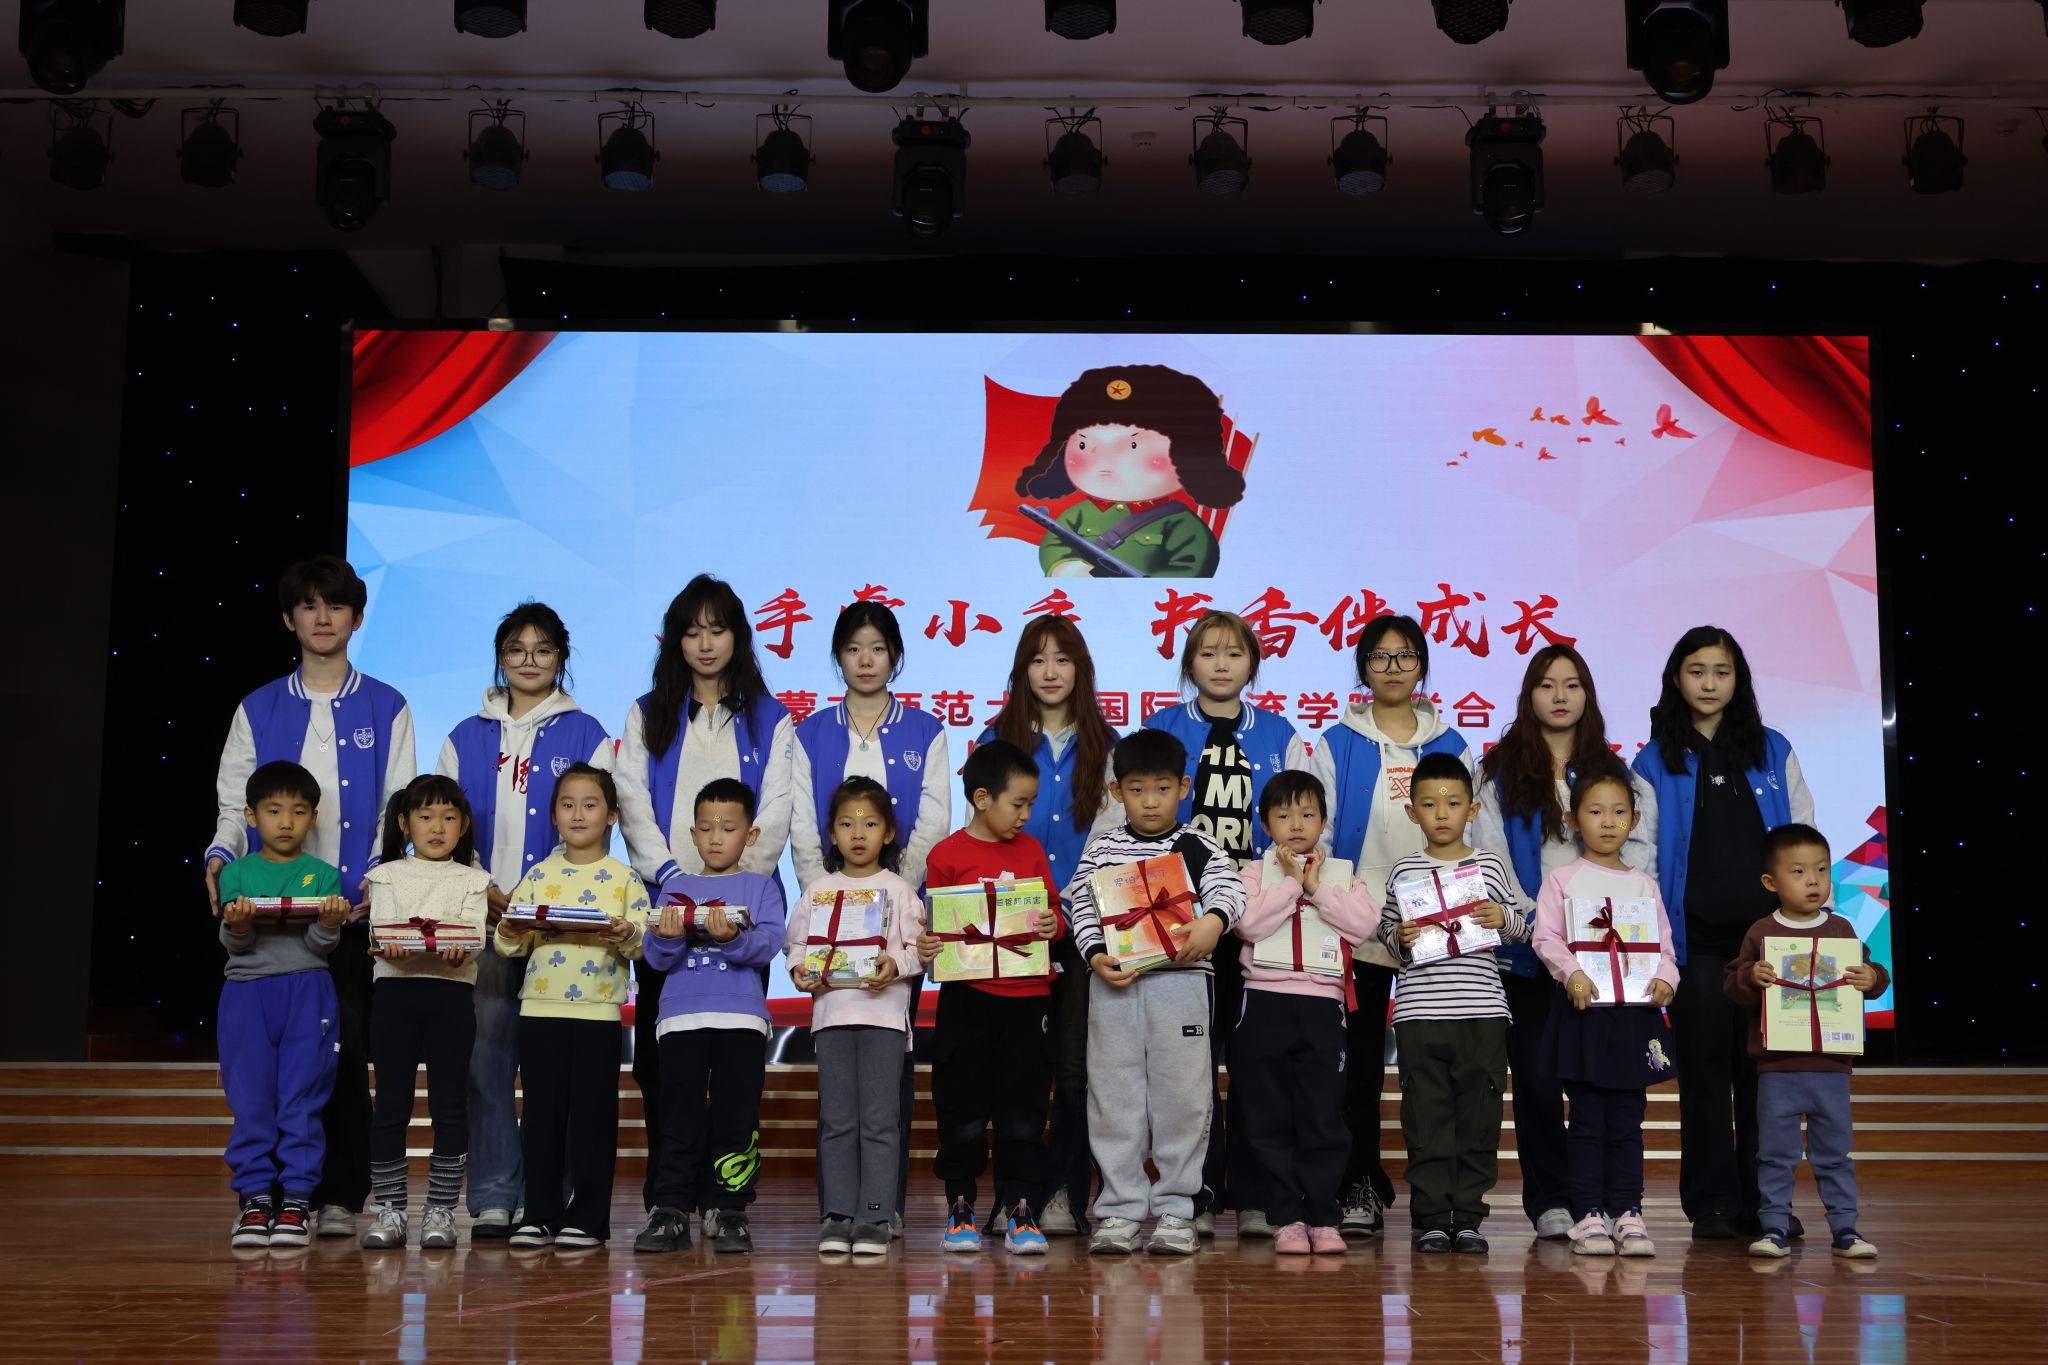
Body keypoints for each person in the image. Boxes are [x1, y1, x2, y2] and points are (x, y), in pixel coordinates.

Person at [206, 554, 415, 1238]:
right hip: (266, 922)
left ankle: (335, 1196)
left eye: (336, 605)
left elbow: (397, 804)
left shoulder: (388, 705)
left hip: (347, 914)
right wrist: (220, 858)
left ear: (357, 617)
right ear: (288, 619)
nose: (323, 618)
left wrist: (376, 878)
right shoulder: (257, 706)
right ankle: (263, 1194)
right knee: (265, 1068)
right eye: (309, 605)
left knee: (343, 1058)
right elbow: (233, 806)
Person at [616, 573, 794, 1240]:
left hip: (741, 908)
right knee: (665, 1068)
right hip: (666, 906)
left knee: (736, 1078)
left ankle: (727, 1205)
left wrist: (737, 887)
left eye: (718, 630)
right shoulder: (648, 713)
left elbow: (777, 805)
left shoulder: (769, 717)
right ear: (675, 641)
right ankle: (670, 1202)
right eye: (692, 632)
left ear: (737, 637)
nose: (706, 643)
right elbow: (631, 798)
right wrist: (672, 879)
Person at [435, 601, 613, 1239]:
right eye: (516, 649)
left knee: (553, 1075)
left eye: (543, 649)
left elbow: (597, 825)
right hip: (484, 919)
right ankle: (491, 1194)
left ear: (561, 657)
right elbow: (442, 826)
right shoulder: (465, 736)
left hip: (561, 930)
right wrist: (484, 890)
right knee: (485, 1063)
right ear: (500, 658)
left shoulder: (587, 733)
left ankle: (549, 1199)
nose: (529, 661)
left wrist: (546, 898)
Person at [1632, 625, 1816, 1241]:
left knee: (1768, 1080)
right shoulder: (1653, 760)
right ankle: (1711, 1203)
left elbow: (1803, 837)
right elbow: (1642, 856)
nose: (1709, 683)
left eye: (1722, 671)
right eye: (1696, 671)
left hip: (1773, 945)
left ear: (1739, 680)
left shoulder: (1773, 749)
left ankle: (1767, 1203)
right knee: (1706, 1078)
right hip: (1697, 949)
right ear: (1676, 680)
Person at [1472, 645, 1657, 1242]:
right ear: (1528, 695)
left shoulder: (1620, 774)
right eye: (1546, 684)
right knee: (1536, 1078)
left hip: (1608, 957)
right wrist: (1539, 924)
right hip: (1529, 952)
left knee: (1605, 1082)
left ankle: (1609, 1204)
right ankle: (1552, 1199)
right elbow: (1490, 859)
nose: (1559, 695)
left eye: (1572, 684)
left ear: (1588, 695)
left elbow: (1642, 858)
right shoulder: (1499, 773)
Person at [1293, 613, 1469, 1239]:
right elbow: (1320, 833)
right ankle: (1358, 1184)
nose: (1393, 668)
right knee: (1360, 1066)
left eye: (1406, 655)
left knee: (1434, 1063)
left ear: (1422, 665)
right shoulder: (1336, 742)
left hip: (1436, 925)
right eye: (1379, 657)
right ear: (1362, 668)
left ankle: (1442, 1200)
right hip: (1358, 925)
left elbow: (1471, 835)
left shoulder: (1452, 743)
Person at [1147, 609, 1310, 1235]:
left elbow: (1302, 824)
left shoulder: (1279, 733)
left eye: (1234, 653)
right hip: (1182, 918)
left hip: (1262, 917)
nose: (1221, 664)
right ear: (1189, 663)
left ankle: (1258, 1196)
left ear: (1253, 664)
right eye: (1208, 652)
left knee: (1255, 1062)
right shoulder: (1162, 728)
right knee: (1189, 1064)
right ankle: (1197, 1192)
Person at [790, 601, 950, 1238]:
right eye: (853, 648)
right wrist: (829, 895)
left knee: (887, 1092)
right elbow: (803, 823)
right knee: (840, 1107)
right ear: (838, 657)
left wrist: (890, 893)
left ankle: (884, 1210)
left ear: (895, 656)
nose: (866, 659)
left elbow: (933, 817)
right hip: (831, 923)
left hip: (897, 912)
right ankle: (839, 1211)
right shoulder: (810, 733)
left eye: (878, 648)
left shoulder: (926, 730)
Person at [1062, 729, 1247, 1257]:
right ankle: (1119, 1210)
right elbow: (1082, 905)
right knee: (1113, 1097)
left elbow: (1230, 889)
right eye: (1137, 789)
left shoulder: (1199, 844)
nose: (1149, 801)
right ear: (1116, 791)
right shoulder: (1103, 849)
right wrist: (1095, 955)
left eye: (1162, 789)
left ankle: (1176, 1210)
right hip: (1116, 987)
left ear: (1183, 788)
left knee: (1184, 1099)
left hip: (1182, 986)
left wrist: (1214, 921)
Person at [979, 614, 1121, 1236]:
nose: (1051, 671)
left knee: (1075, 1069)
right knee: (1015, 1070)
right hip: (1012, 931)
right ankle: (1013, 1195)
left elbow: (1114, 844)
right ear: (1021, 671)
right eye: (1037, 660)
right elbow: (984, 837)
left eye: (1062, 659)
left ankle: (1064, 1193)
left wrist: (1073, 911)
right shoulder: (996, 739)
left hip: (1083, 928)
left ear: (1080, 669)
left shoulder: (1108, 745)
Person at [912, 740, 1064, 1255]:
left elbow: (1053, 915)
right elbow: (933, 934)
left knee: (1024, 1110)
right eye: (1018, 803)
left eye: (1031, 804)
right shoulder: (946, 855)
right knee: (962, 1109)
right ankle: (960, 1209)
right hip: (967, 1002)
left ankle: (1021, 1209)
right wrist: (928, 947)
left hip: (1028, 999)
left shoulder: (1031, 850)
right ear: (982, 798)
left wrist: (1053, 924)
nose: (1025, 815)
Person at [1377, 752, 1528, 1254]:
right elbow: (1387, 932)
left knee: (1479, 1118)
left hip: (1482, 1012)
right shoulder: (1404, 870)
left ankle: (1467, 1217)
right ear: (1411, 812)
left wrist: (1500, 918)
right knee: (1426, 1117)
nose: (1441, 813)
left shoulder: (1490, 866)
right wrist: (1400, 936)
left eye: (1453, 803)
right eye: (1429, 804)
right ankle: (1431, 1218)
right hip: (1420, 1014)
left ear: (1474, 809)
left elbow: (1522, 927)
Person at [633, 778, 789, 1256]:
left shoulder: (761, 887)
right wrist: (670, 937)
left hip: (741, 1020)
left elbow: (769, 944)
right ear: (692, 834)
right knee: (677, 1115)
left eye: (728, 828)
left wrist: (731, 939)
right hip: (680, 1020)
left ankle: (730, 1209)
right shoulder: (675, 887)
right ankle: (671, 1208)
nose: (716, 838)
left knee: (736, 1117)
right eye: (705, 828)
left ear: (751, 835)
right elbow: (655, 956)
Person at [1531, 760, 1681, 1258]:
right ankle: (1588, 1215)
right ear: (1573, 820)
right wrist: (1571, 972)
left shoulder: (1644, 884)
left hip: (1633, 1018)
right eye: (1595, 811)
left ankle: (1628, 1213)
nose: (1608, 821)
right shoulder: (1562, 879)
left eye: (1619, 812)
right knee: (1588, 1119)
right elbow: (1546, 937)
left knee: (1627, 1122)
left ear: (1634, 820)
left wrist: (1666, 978)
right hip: (1584, 1014)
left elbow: (1665, 946)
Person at [497, 764, 649, 1250]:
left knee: (593, 1118)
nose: (578, 814)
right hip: (539, 1010)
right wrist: (510, 929)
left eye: (590, 804)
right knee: (541, 1116)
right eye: (567, 805)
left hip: (598, 1013)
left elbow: (643, 944)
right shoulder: (538, 875)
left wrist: (626, 933)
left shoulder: (625, 878)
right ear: (553, 817)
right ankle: (539, 1213)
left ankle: (589, 1219)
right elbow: (510, 943)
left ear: (612, 816)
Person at [1232, 770, 1379, 1255]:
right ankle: (1286, 1218)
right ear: (1265, 824)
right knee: (1268, 1115)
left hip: (1322, 1006)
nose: (1296, 824)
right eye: (1283, 815)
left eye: (1308, 814)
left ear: (1323, 820)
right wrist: (1291, 885)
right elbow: (1248, 925)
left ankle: (1322, 1216)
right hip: (1265, 1002)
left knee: (1323, 1115)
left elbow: (1362, 925)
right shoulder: (1252, 874)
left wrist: (1315, 886)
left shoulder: (1343, 874)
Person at [1725, 824, 1887, 1260]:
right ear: (1771, 882)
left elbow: (1874, 976)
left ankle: (1846, 1230)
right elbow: (1734, 987)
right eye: (1798, 872)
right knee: (1775, 1154)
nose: (1813, 880)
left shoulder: (1842, 929)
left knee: (1834, 1153)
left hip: (1831, 1066)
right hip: (1778, 1068)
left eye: (1821, 870)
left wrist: (1872, 978)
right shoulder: (1762, 932)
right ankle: (1774, 1228)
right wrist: (1751, 976)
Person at [784, 777, 924, 1256]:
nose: (858, 833)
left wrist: (895, 965)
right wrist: (799, 970)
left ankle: (876, 1216)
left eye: (870, 823)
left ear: (889, 833)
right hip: (831, 1017)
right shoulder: (818, 891)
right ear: (832, 833)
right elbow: (796, 945)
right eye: (846, 824)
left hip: (885, 1020)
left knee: (880, 1122)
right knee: (837, 1120)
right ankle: (838, 1214)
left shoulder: (900, 890)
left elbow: (917, 951)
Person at [215, 760, 349, 1249]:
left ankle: (295, 1201)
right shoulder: (235, 873)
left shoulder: (324, 875)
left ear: (313, 817)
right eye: (274, 811)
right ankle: (255, 1199)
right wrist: (240, 924)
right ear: (251, 817)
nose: (286, 822)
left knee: (302, 1097)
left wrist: (329, 924)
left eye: (298, 811)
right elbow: (237, 944)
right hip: (247, 993)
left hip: (308, 990)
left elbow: (317, 946)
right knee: (250, 1098)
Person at [358, 775, 492, 1250]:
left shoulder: (475, 880)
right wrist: (397, 945)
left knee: (449, 1105)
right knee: (390, 1104)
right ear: (404, 823)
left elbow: (472, 936)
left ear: (464, 826)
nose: (437, 827)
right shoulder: (386, 876)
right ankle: (390, 1210)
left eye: (449, 817)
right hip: (394, 997)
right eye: (426, 816)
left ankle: (441, 1211)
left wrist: (451, 950)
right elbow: (382, 932)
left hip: (451, 997)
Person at [1013, 363, 1246, 578]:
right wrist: (1066, 568)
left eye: (1133, 445)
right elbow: (1055, 546)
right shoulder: (1078, 514)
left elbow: (1193, 566)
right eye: (1083, 444)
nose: (1104, 458)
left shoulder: (1179, 523)